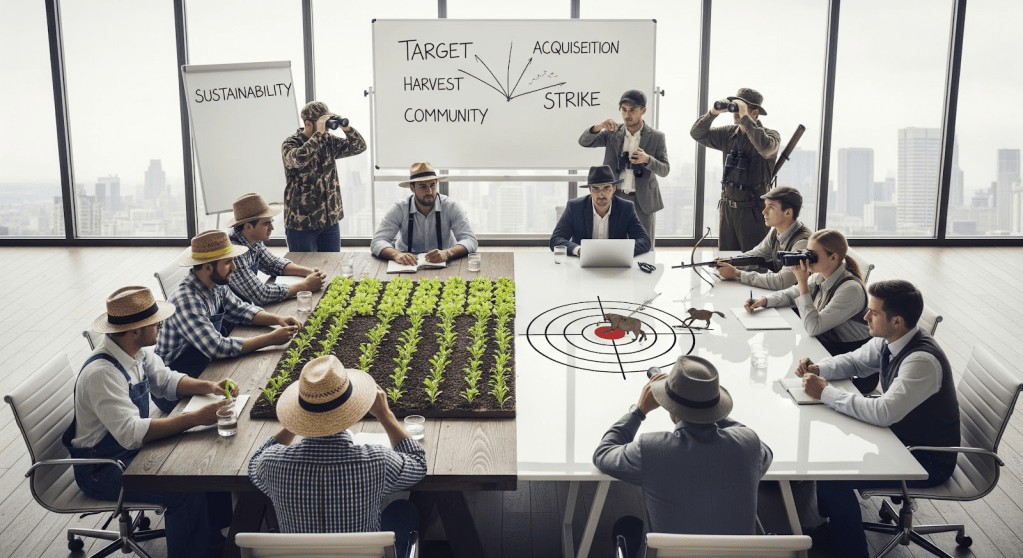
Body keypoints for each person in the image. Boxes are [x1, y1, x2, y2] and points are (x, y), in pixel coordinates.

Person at [63, 286, 236, 558]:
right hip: (102, 467)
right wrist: (196, 418)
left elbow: (166, 380)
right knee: (183, 492)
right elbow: (132, 434)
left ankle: (211, 541)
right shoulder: (103, 374)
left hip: (129, 450)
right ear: (134, 331)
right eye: (154, 323)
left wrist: (210, 386)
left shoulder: (134, 351)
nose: (161, 325)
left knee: (202, 463)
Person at [795, 280, 960, 558]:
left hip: (926, 457)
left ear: (896, 321)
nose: (865, 316)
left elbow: (883, 413)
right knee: (827, 448)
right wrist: (819, 367)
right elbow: (855, 361)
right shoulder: (891, 340)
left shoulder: (920, 361)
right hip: (901, 436)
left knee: (834, 475)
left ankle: (852, 551)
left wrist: (826, 393)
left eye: (873, 312)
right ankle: (836, 527)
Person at [593, 356, 773, 558]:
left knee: (626, 525)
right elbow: (760, 446)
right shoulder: (749, 446)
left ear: (669, 406)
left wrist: (639, 410)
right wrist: (710, 410)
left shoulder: (651, 449)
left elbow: (603, 453)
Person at [248, 355, 426, 558]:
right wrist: (385, 415)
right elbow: (418, 463)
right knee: (404, 510)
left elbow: (255, 461)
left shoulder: (271, 464)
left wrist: (293, 423)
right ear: (353, 406)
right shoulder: (377, 461)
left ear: (299, 412)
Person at [155, 230, 302, 413]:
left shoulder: (215, 283)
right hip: (176, 389)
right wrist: (271, 339)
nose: (234, 266)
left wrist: (277, 319)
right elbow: (218, 347)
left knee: (261, 377)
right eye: (228, 262)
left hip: (206, 363)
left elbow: (240, 309)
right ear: (208, 267)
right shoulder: (186, 301)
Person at [746, 229, 871, 356]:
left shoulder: (850, 290)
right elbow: (790, 294)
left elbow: (814, 328)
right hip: (826, 341)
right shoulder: (821, 275)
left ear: (833, 257)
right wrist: (764, 301)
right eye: (806, 252)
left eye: (812, 255)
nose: (807, 259)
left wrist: (802, 282)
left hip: (848, 351)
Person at [690, 88, 780, 252]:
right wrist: (713, 113)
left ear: (755, 112)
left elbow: (765, 148)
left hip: (753, 211)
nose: (736, 112)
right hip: (728, 209)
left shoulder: (771, 136)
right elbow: (697, 134)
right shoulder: (728, 134)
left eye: (742, 108)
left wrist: (745, 118)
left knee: (753, 262)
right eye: (736, 108)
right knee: (727, 260)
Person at [579, 89, 670, 243]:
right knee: (615, 245)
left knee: (644, 246)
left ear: (643, 110)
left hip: (643, 200)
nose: (627, 115)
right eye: (623, 110)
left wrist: (647, 159)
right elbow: (584, 142)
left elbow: (665, 170)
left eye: (632, 110)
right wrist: (598, 126)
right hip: (615, 197)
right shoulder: (612, 133)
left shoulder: (656, 137)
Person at [281, 101, 367, 252]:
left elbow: (359, 146)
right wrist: (318, 135)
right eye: (322, 123)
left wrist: (344, 127)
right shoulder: (291, 143)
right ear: (308, 124)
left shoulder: (328, 141)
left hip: (330, 222)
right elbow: (299, 158)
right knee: (304, 270)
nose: (326, 127)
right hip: (302, 225)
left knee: (331, 268)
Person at [228, 192, 327, 305]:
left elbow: (274, 264)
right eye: (266, 224)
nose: (272, 228)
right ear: (248, 226)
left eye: (271, 222)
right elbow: (260, 295)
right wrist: (306, 285)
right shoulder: (234, 252)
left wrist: (310, 272)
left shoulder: (252, 237)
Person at [371, 162, 478, 265]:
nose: (429, 191)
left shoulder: (451, 207)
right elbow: (378, 241)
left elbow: (470, 240)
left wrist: (448, 253)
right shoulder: (399, 208)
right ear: (412, 188)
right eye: (423, 186)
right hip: (406, 265)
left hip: (445, 264)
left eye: (433, 185)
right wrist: (396, 255)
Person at [715, 186, 812, 290]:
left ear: (788, 212)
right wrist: (729, 261)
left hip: (799, 303)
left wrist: (737, 274)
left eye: (771, 207)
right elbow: (756, 254)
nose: (764, 212)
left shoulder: (803, 242)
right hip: (783, 298)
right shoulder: (776, 231)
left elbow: (782, 282)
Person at [550, 165, 651, 257]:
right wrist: (580, 250)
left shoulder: (626, 208)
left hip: (615, 262)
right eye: (596, 189)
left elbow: (644, 241)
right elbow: (556, 239)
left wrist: (620, 251)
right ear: (590, 190)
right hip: (582, 262)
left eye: (606, 188)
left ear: (614, 188)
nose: (601, 194)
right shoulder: (574, 207)